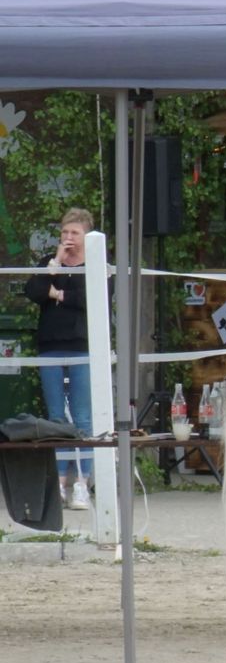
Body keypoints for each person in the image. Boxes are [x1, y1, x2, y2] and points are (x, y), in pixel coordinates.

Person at [24, 209, 98, 509]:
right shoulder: (49, 264)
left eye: (74, 233)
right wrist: (54, 264)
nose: (68, 238)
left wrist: (58, 295)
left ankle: (83, 482)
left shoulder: (94, 265)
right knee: (56, 418)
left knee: (82, 417)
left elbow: (90, 299)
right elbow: (34, 290)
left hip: (81, 345)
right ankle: (61, 484)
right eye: (64, 233)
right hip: (50, 345)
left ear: (86, 237)